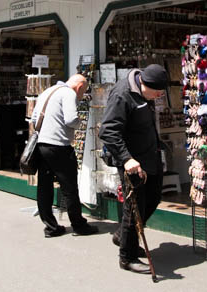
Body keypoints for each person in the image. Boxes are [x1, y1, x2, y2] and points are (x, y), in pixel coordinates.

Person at [99, 64, 169, 274]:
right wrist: (126, 159)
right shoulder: (122, 94)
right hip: (132, 161)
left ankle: (122, 235)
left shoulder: (145, 92)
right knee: (134, 207)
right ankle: (126, 256)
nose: (157, 96)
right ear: (144, 84)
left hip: (150, 156)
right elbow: (108, 131)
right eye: (156, 92)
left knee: (154, 198)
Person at [31, 74, 98, 238]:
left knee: (44, 187)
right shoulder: (68, 93)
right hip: (60, 146)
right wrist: (80, 123)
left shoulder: (48, 91)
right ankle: (78, 225)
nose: (82, 95)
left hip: (42, 145)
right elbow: (70, 120)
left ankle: (51, 227)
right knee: (69, 187)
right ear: (80, 86)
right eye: (83, 91)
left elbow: (34, 118)